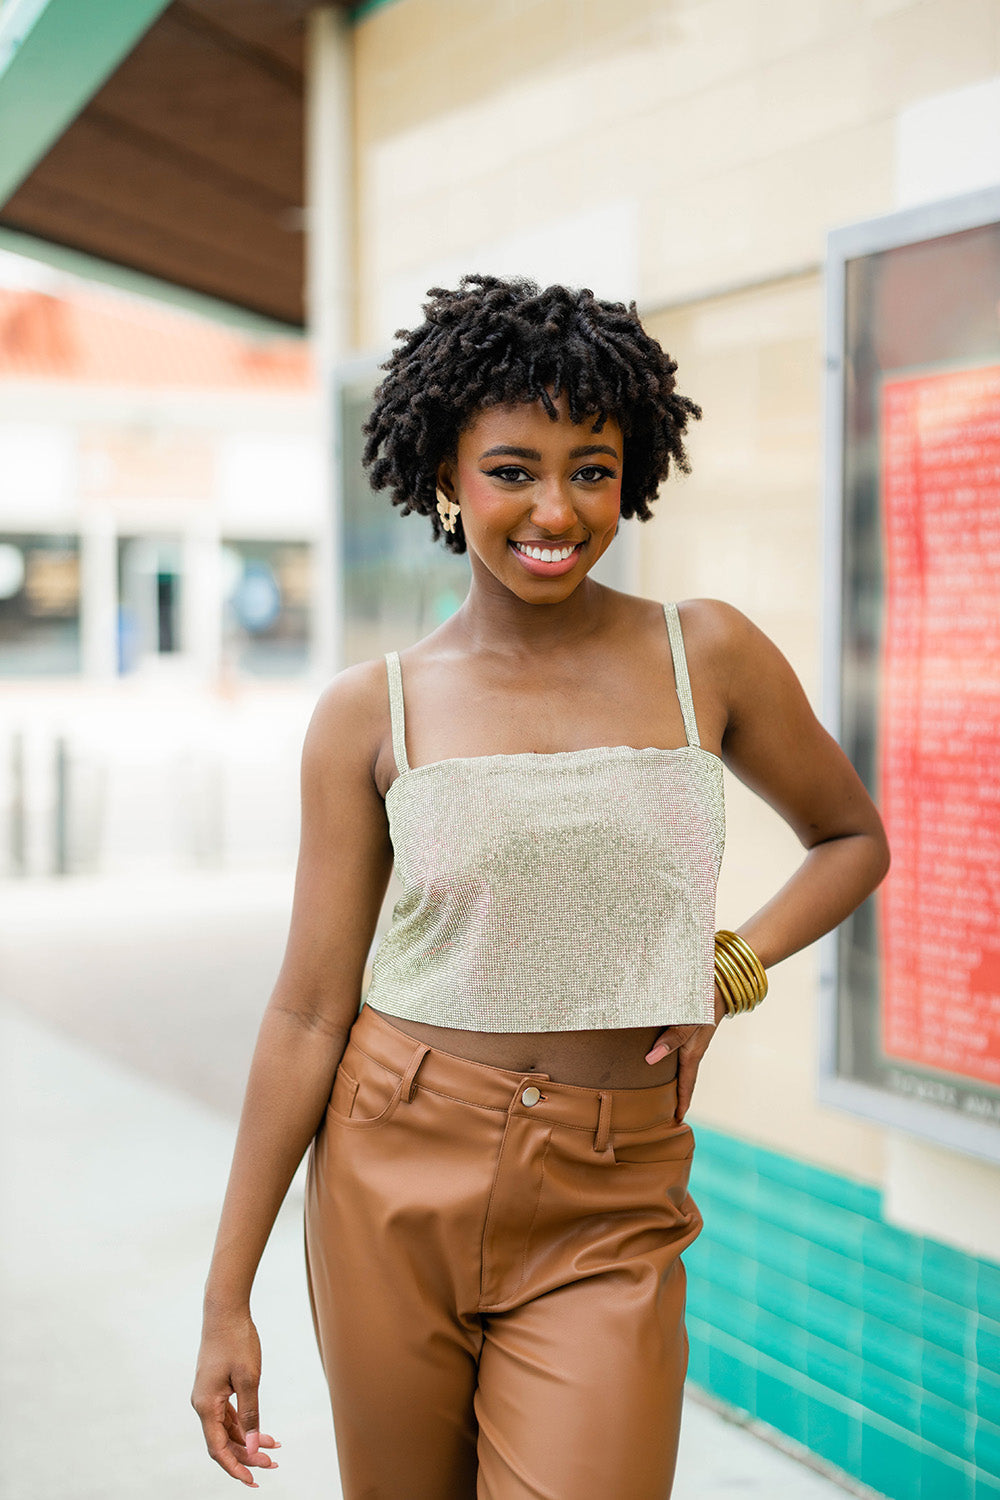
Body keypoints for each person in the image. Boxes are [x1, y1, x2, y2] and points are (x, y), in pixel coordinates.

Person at [191, 274, 890, 1499]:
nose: (555, 509)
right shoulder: (374, 709)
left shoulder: (704, 653)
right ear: (446, 480)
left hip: (611, 1192)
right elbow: (307, 1012)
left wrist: (727, 970)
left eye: (592, 468)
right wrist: (225, 1297)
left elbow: (849, 838)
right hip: (389, 1164)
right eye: (512, 469)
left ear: (634, 473)